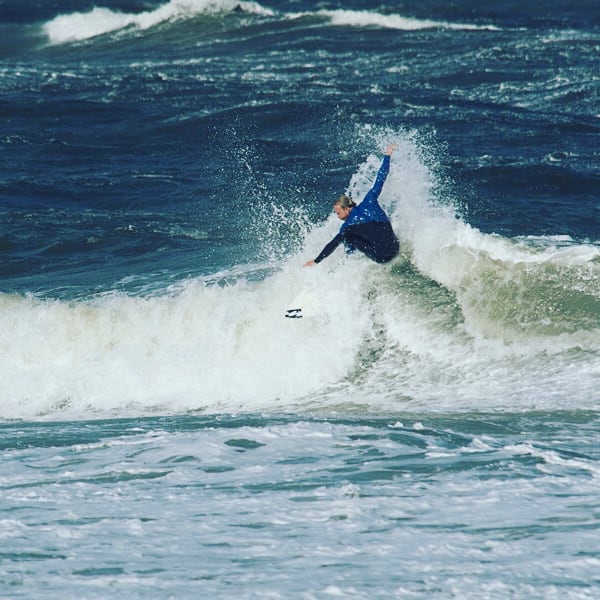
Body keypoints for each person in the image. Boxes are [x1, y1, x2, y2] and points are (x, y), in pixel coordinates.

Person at [303, 143, 400, 267]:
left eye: (338, 213)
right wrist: (387, 155)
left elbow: (333, 244)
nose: (338, 216)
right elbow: (381, 178)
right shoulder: (370, 200)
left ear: (347, 209)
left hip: (382, 258)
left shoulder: (347, 226)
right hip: (395, 248)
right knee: (383, 224)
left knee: (348, 237)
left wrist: (316, 261)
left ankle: (350, 259)